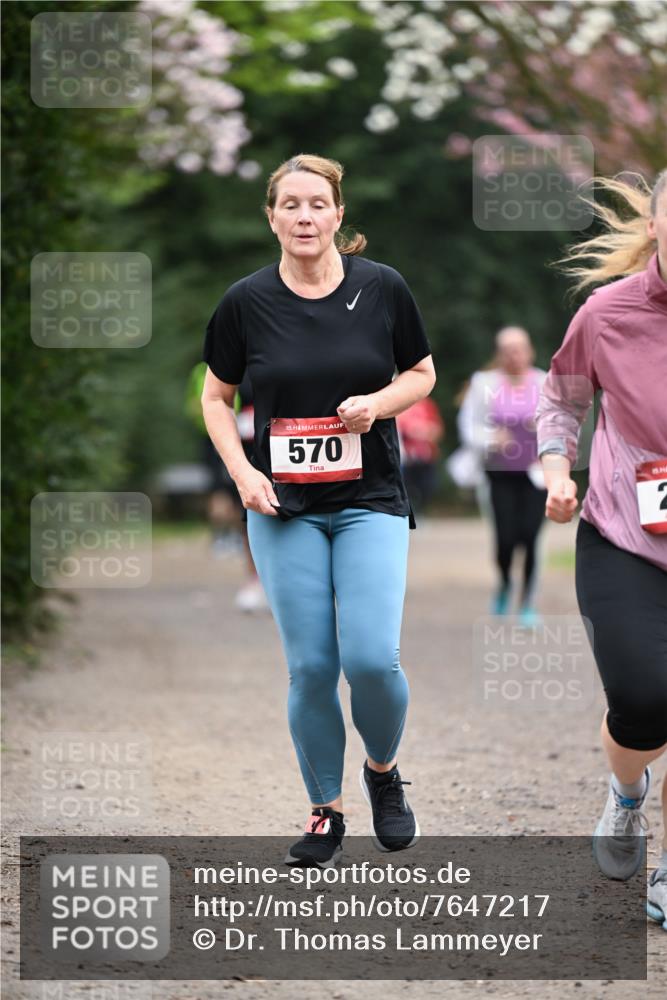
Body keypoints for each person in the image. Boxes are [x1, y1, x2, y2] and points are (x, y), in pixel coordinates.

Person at [201, 154, 435, 867]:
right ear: (271, 217)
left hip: (369, 498)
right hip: (282, 507)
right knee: (309, 666)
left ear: (338, 215)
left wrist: (376, 405)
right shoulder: (245, 302)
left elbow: (421, 374)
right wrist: (241, 472)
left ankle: (383, 774)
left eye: (317, 205)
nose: (304, 217)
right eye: (290, 205)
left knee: (370, 658)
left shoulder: (382, 288)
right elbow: (217, 398)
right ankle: (325, 811)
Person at [535, 170, 667, 927]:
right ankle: (625, 798)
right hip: (622, 533)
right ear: (653, 225)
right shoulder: (607, 312)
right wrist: (557, 467)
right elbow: (561, 397)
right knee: (645, 700)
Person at [457, 328, 548, 624]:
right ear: (499, 353)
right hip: (499, 473)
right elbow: (468, 426)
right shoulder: (484, 384)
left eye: (519, 348)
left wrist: (542, 430)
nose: (514, 354)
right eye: (507, 349)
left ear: (530, 350)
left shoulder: (545, 382)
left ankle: (527, 603)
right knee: (506, 538)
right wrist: (491, 438)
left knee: (531, 537)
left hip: (535, 474)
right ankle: (505, 583)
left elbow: (562, 423)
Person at [185, 363, 268, 612]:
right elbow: (207, 404)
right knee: (247, 514)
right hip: (241, 449)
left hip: (282, 446)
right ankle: (255, 580)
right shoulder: (216, 365)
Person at [396, 397, 445, 513]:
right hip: (406, 458)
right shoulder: (398, 404)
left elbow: (437, 430)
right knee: (405, 488)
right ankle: (410, 511)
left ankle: (419, 511)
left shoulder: (427, 404)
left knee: (427, 487)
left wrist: (424, 432)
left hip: (426, 457)